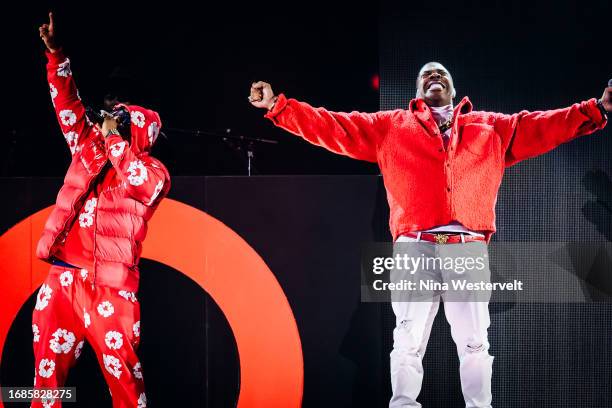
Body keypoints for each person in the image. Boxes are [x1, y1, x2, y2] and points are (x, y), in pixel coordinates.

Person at [248, 63, 610, 407]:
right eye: (426, 74)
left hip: (466, 249)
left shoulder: (488, 127)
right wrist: (280, 107)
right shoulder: (391, 126)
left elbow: (542, 126)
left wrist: (596, 109)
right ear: (418, 90)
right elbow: (334, 127)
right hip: (415, 247)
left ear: (453, 88)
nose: (434, 75)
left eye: (441, 73)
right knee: (406, 340)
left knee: (475, 343)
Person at [33, 12, 170, 408]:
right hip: (62, 281)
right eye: (109, 116)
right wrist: (56, 55)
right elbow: (67, 104)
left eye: (120, 119)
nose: (107, 123)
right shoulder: (88, 148)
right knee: (45, 378)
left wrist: (114, 140)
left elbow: (137, 179)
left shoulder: (154, 171)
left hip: (108, 288)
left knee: (125, 380)